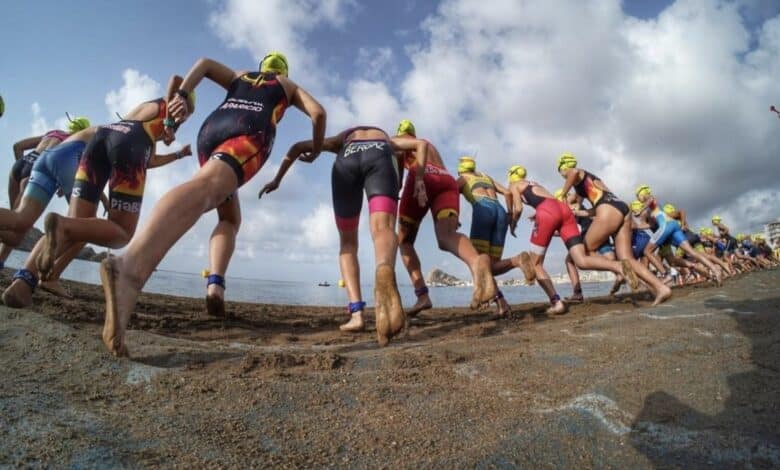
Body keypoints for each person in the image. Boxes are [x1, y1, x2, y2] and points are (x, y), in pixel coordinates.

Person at [98, 53, 326, 357]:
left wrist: (180, 96)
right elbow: (319, 113)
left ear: (262, 67)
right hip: (250, 132)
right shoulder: (286, 84)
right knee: (205, 189)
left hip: (211, 132)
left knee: (229, 217)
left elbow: (204, 63)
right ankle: (128, 269)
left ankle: (215, 283)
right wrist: (317, 150)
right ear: (282, 71)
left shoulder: (241, 75)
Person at [3, 81, 192, 308]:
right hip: (126, 145)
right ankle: (58, 237)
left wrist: (178, 155)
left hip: (101, 138)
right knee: (121, 232)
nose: (181, 118)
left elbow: (148, 161)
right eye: (185, 115)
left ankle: (22, 284)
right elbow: (178, 80)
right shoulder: (166, 108)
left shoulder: (139, 119)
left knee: (77, 226)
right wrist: (176, 111)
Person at [260, 126, 428, 345]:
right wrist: (419, 180)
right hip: (381, 158)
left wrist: (277, 179)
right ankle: (384, 268)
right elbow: (421, 144)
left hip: (346, 161)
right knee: (383, 229)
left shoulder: (341, 139)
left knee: (347, 244)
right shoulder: (386, 139)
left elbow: (296, 147)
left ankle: (357, 314)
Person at [394, 120, 496, 317]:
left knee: (404, 241)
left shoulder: (400, 141)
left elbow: (399, 171)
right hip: (447, 181)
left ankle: (422, 295)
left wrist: (400, 187)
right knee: (447, 236)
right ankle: (477, 262)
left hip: (422, 175)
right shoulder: (429, 144)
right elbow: (438, 170)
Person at [507, 165, 638, 314]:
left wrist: (513, 223)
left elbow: (517, 208)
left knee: (535, 263)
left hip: (547, 211)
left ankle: (556, 303)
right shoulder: (534, 183)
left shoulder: (514, 185)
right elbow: (550, 201)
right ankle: (619, 267)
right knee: (581, 260)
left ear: (511, 176)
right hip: (564, 210)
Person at [556, 153, 671, 305]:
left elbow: (574, 173)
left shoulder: (576, 172)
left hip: (608, 208)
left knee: (582, 254)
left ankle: (619, 270)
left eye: (562, 174)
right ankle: (661, 288)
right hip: (620, 207)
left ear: (564, 167)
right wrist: (578, 212)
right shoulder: (588, 183)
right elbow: (596, 209)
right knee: (627, 258)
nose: (564, 177)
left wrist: (563, 194)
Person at [1, 119, 89, 268]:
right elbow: (70, 171)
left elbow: (18, 146)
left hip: (21, 165)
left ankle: (1, 261)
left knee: (13, 221)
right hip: (35, 173)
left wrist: (25, 167)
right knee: (18, 228)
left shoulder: (53, 133)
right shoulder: (74, 144)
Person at [456, 156, 518, 316]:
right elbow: (508, 193)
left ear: (461, 169)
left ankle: (484, 296)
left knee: (478, 260)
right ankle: (501, 304)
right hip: (500, 211)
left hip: (483, 209)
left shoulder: (463, 178)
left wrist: (455, 217)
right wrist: (510, 214)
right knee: (491, 264)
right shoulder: (485, 176)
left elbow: (451, 195)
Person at [635, 185, 722, 285]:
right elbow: (651, 225)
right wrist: (635, 227)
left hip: (666, 225)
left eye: (638, 196)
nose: (638, 199)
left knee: (647, 251)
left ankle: (666, 275)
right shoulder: (651, 210)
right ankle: (715, 270)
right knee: (691, 251)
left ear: (642, 193)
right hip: (673, 225)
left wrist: (640, 209)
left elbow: (649, 199)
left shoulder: (648, 198)